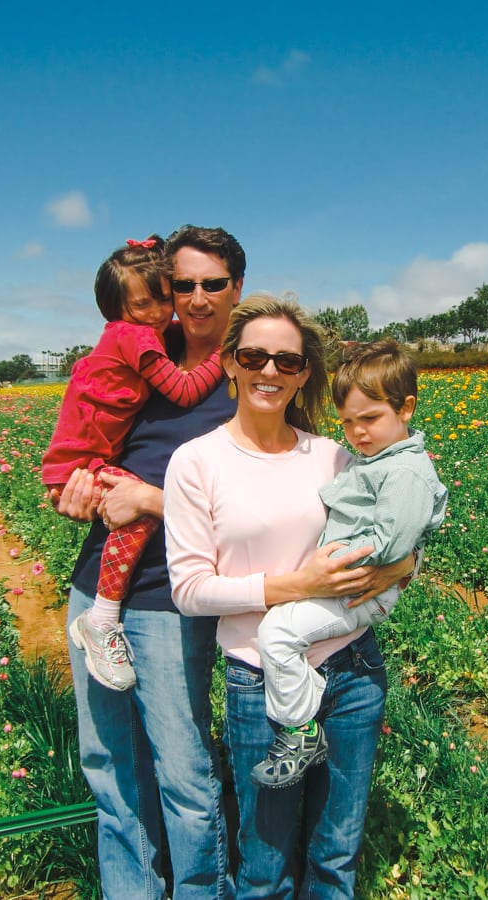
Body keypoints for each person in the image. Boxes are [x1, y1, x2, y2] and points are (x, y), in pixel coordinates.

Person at [164, 294, 416, 899]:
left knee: (337, 852)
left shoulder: (332, 455)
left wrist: (405, 563)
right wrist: (297, 586)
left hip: (352, 665)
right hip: (259, 680)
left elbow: (398, 523)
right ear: (229, 362)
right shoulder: (196, 463)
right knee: (265, 861)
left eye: (287, 360)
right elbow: (190, 590)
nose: (269, 371)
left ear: (305, 374)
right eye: (254, 356)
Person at [48, 225, 244, 900]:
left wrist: (150, 499)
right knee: (108, 763)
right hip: (96, 586)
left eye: (208, 284)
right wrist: (78, 489)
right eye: (178, 285)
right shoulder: (138, 358)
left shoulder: (252, 377)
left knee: (183, 770)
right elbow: (86, 440)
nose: (190, 299)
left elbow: (261, 505)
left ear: (235, 289)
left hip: (168, 596)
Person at [251, 340, 447, 788]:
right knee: (282, 631)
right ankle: (308, 711)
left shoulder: (404, 473)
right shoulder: (377, 461)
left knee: (276, 634)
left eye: (371, 418)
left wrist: (319, 574)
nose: (358, 433)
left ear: (407, 408)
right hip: (350, 585)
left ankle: (302, 729)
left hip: (360, 589)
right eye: (348, 422)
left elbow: (389, 545)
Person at [41, 236, 223, 691]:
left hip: (172, 588)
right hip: (84, 465)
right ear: (119, 310)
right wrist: (225, 354)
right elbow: (182, 390)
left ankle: (102, 617)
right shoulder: (137, 339)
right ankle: (101, 618)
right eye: (147, 303)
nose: (162, 310)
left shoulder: (150, 337)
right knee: (137, 512)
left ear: (237, 288)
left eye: (164, 296)